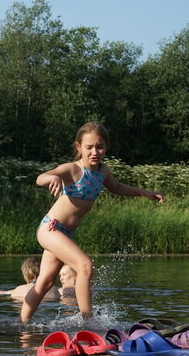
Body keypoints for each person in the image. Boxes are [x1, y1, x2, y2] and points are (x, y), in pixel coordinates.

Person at [21, 122, 163, 323]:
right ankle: (88, 321)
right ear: (79, 147)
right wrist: (52, 178)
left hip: (65, 233)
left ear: (106, 147)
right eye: (89, 147)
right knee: (84, 265)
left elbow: (117, 188)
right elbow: (40, 178)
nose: (94, 152)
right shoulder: (72, 169)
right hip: (50, 228)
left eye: (100, 146)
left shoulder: (102, 171)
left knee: (44, 282)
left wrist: (144, 193)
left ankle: (22, 325)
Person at [0, 259, 75, 302]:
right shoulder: (56, 290)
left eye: (64, 274)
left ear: (25, 274)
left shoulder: (18, 289)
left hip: (22, 300)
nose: (61, 278)